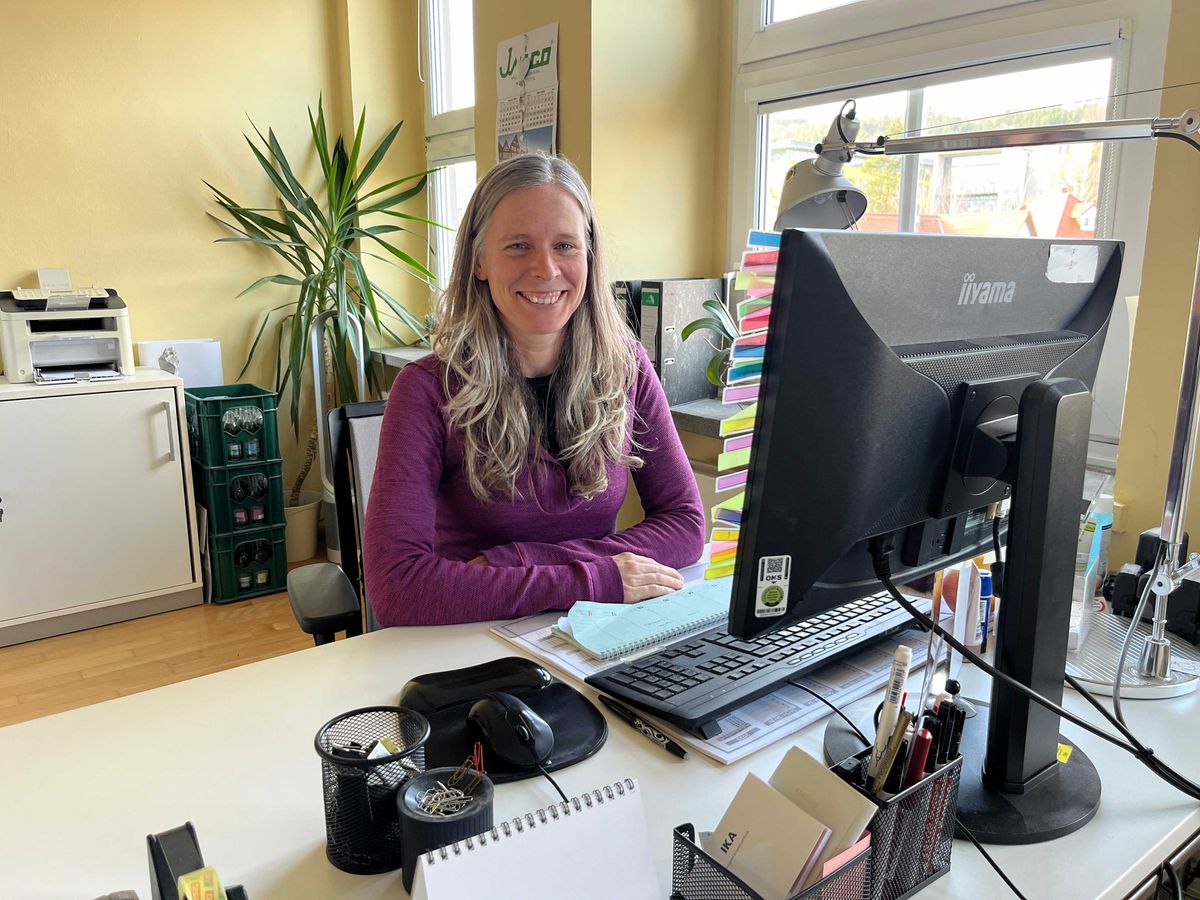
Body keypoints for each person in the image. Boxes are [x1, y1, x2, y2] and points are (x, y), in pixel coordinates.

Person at [363, 153, 706, 626]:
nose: (546, 269)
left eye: (565, 245)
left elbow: (686, 524)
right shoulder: (425, 391)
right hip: (470, 639)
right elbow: (397, 588)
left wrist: (517, 563)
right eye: (519, 246)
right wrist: (595, 578)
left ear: (589, 255)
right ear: (479, 260)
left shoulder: (627, 367)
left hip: (591, 634)